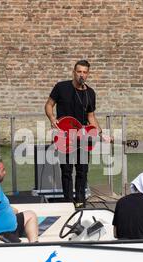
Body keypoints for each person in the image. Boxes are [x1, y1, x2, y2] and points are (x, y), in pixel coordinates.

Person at [44, 60, 110, 208]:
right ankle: (67, 202)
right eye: (79, 71)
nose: (82, 75)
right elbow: (49, 104)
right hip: (64, 134)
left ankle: (80, 202)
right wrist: (52, 118)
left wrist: (101, 133)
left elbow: (91, 116)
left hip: (83, 136)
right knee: (66, 170)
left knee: (83, 169)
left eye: (85, 72)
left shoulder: (90, 93)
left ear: (88, 74)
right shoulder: (61, 87)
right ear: (74, 72)